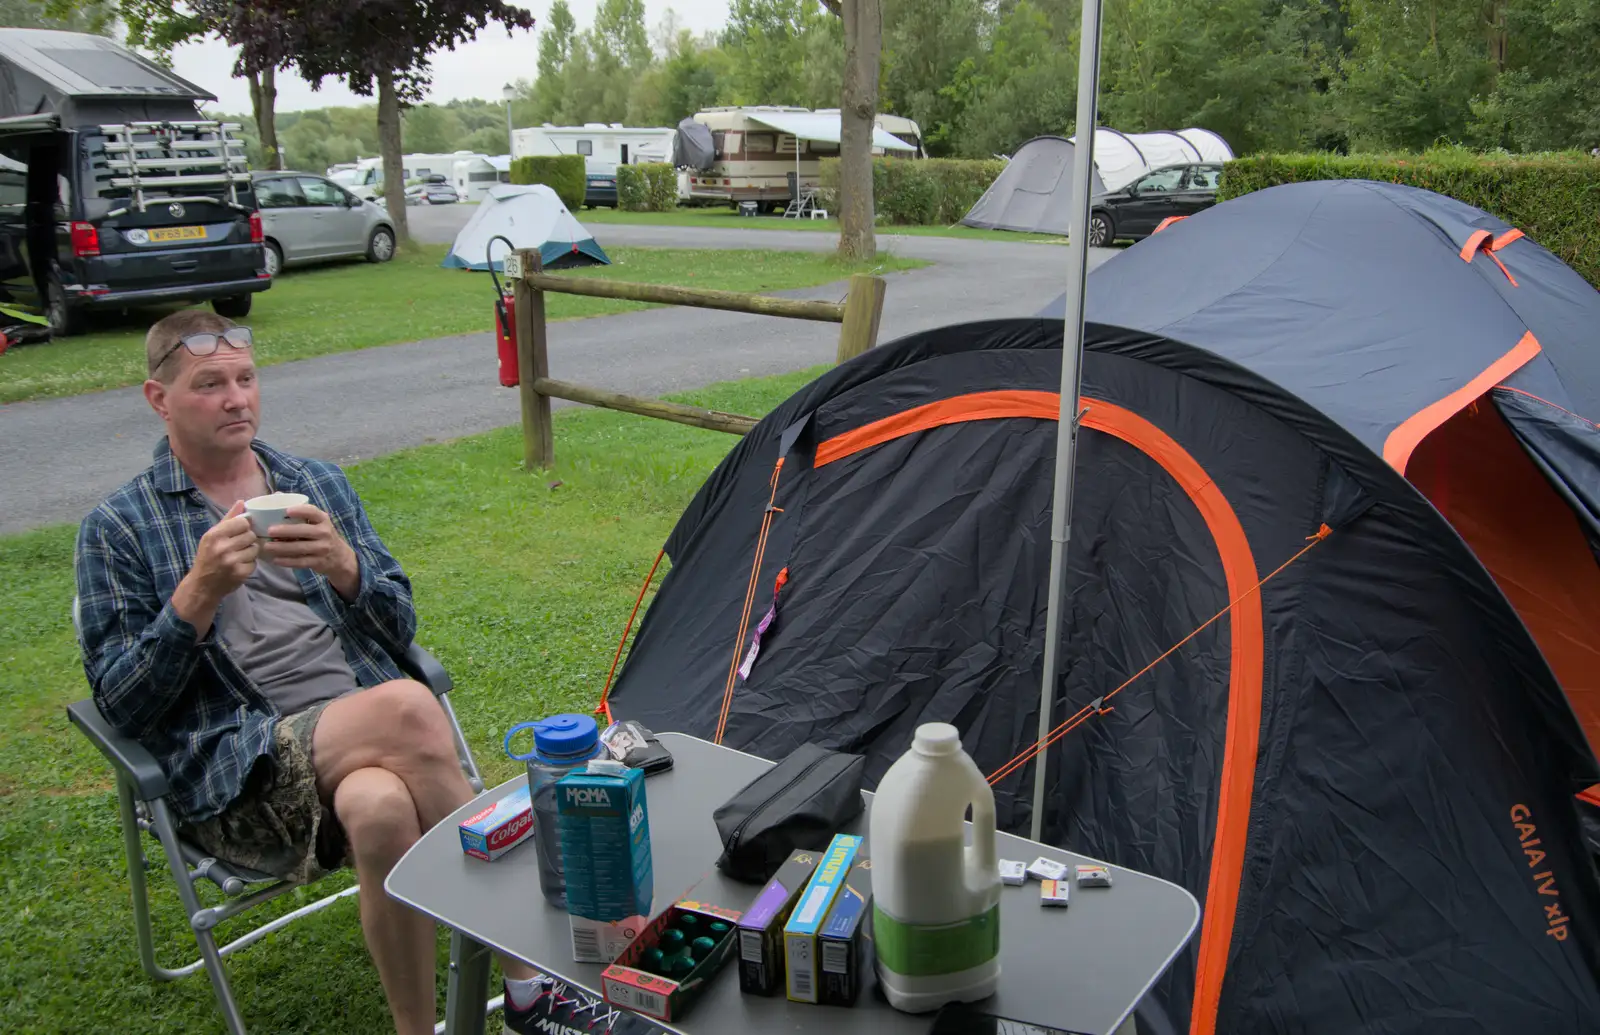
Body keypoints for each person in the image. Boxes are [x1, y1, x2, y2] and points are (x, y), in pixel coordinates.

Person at [74, 309, 550, 1034]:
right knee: (410, 708)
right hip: (243, 771)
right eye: (209, 384)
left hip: (356, 733)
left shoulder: (312, 482)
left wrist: (345, 566)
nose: (237, 398)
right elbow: (125, 706)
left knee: (382, 808)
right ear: (158, 399)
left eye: (245, 378)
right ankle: (533, 984)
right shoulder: (119, 528)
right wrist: (195, 594)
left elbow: (399, 627)